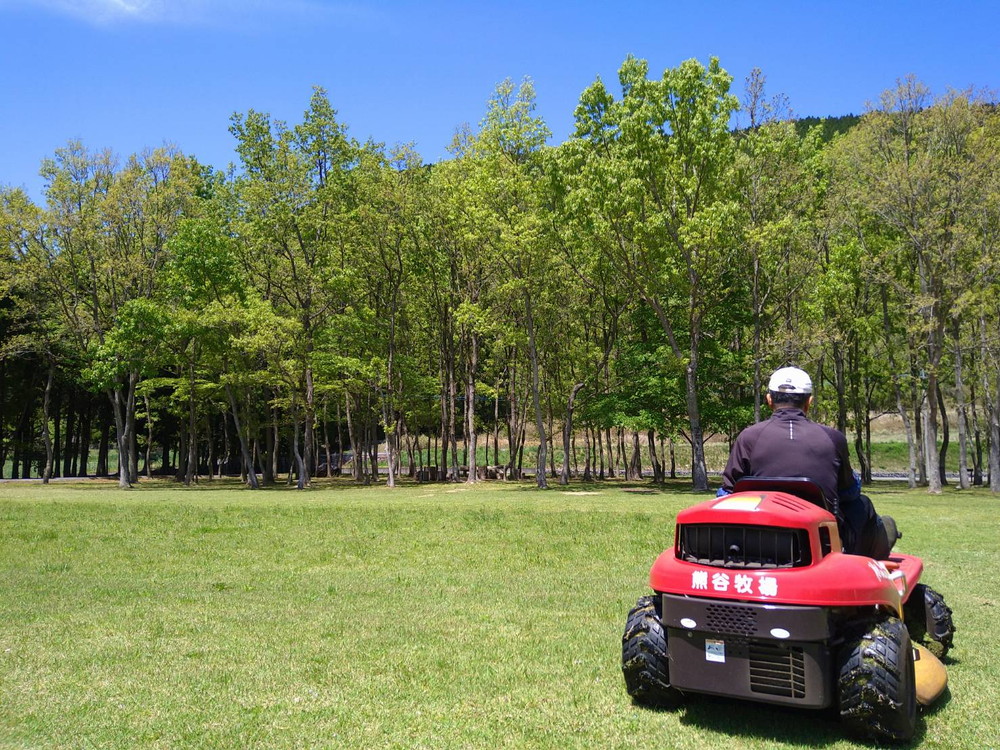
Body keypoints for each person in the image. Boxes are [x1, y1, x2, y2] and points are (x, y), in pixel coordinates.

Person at [719, 366, 896, 559]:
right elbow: (849, 492)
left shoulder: (748, 438)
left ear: (769, 400)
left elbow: (727, 492)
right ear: (809, 402)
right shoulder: (833, 438)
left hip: (761, 540)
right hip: (821, 542)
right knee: (862, 504)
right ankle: (866, 552)